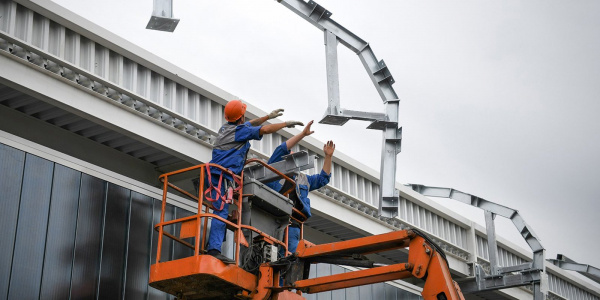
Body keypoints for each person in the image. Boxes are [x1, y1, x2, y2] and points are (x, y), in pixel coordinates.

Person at [206, 99, 304, 263]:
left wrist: (267, 116)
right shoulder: (239, 132)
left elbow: (250, 124)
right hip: (223, 176)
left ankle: (213, 246)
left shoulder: (225, 128)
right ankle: (214, 249)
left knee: (221, 211)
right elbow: (263, 130)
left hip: (218, 175)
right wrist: (284, 124)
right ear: (241, 116)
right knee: (221, 212)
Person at [265, 120, 335, 255]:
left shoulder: (303, 180)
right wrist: (302, 134)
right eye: (289, 155)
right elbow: (282, 149)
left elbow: (322, 179)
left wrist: (328, 157)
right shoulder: (273, 172)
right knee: (270, 258)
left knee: (289, 261)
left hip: (293, 227)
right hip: (272, 222)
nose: (292, 156)